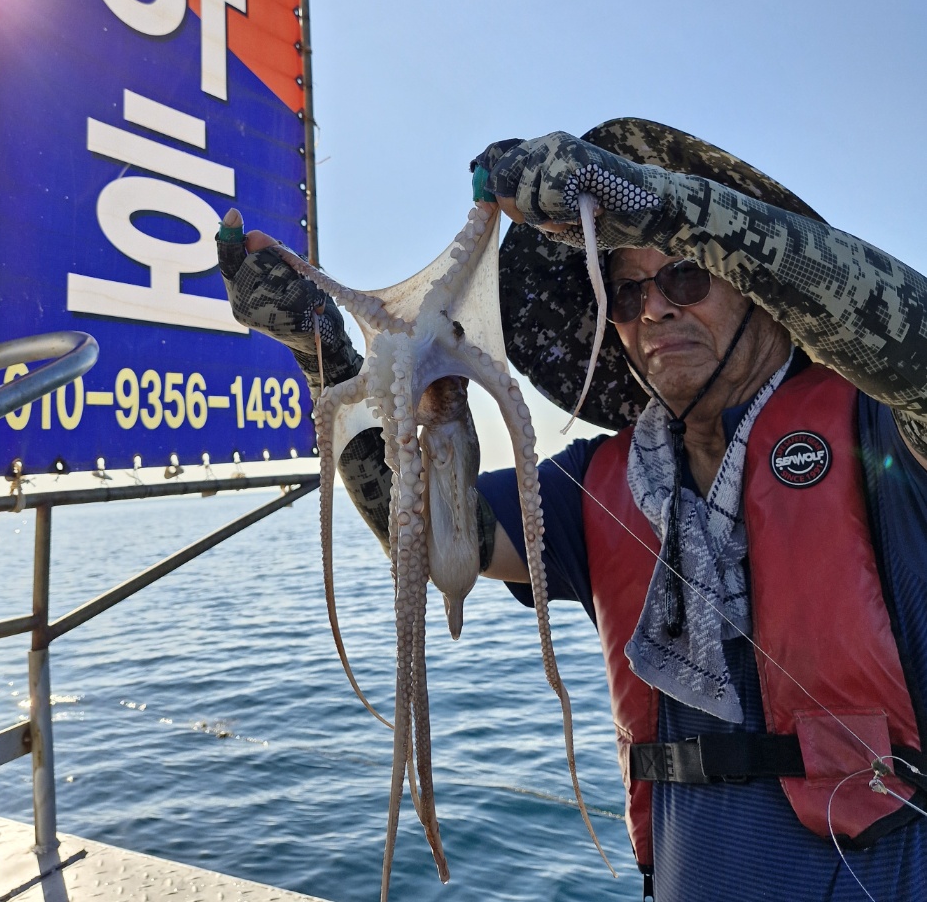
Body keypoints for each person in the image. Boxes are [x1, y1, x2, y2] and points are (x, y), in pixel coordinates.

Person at [217, 119, 927, 901]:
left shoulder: (884, 434)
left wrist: (647, 204)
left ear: (756, 290)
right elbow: (440, 539)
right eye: (627, 290)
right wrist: (322, 356)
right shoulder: (599, 483)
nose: (654, 310)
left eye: (687, 276)